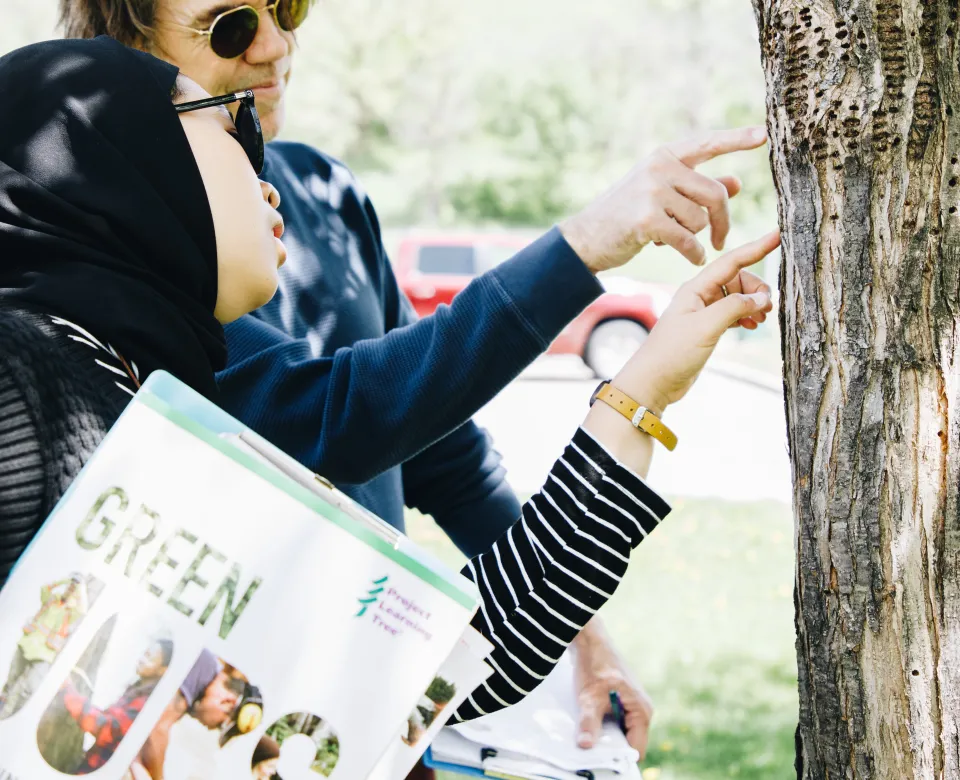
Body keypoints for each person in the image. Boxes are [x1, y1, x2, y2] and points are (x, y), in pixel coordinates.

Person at [0, 34, 776, 770]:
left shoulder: (151, 392)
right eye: (228, 125)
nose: (263, 169)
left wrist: (642, 392)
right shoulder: (22, 372)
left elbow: (429, 678)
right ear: (129, 162)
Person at [56, 638, 175, 773]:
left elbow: (106, 727)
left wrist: (68, 692)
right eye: (144, 653)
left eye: (149, 657)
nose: (141, 659)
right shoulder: (137, 690)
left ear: (163, 670)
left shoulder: (146, 705)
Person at [0, 574, 89, 719]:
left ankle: (9, 714)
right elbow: (45, 588)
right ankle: (3, 704)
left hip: (44, 653)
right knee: (12, 677)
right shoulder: (52, 600)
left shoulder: (71, 612)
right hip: (28, 644)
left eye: (73, 588)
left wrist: (80, 587)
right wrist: (65, 580)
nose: (70, 589)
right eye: (70, 586)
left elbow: (82, 610)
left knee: (29, 686)